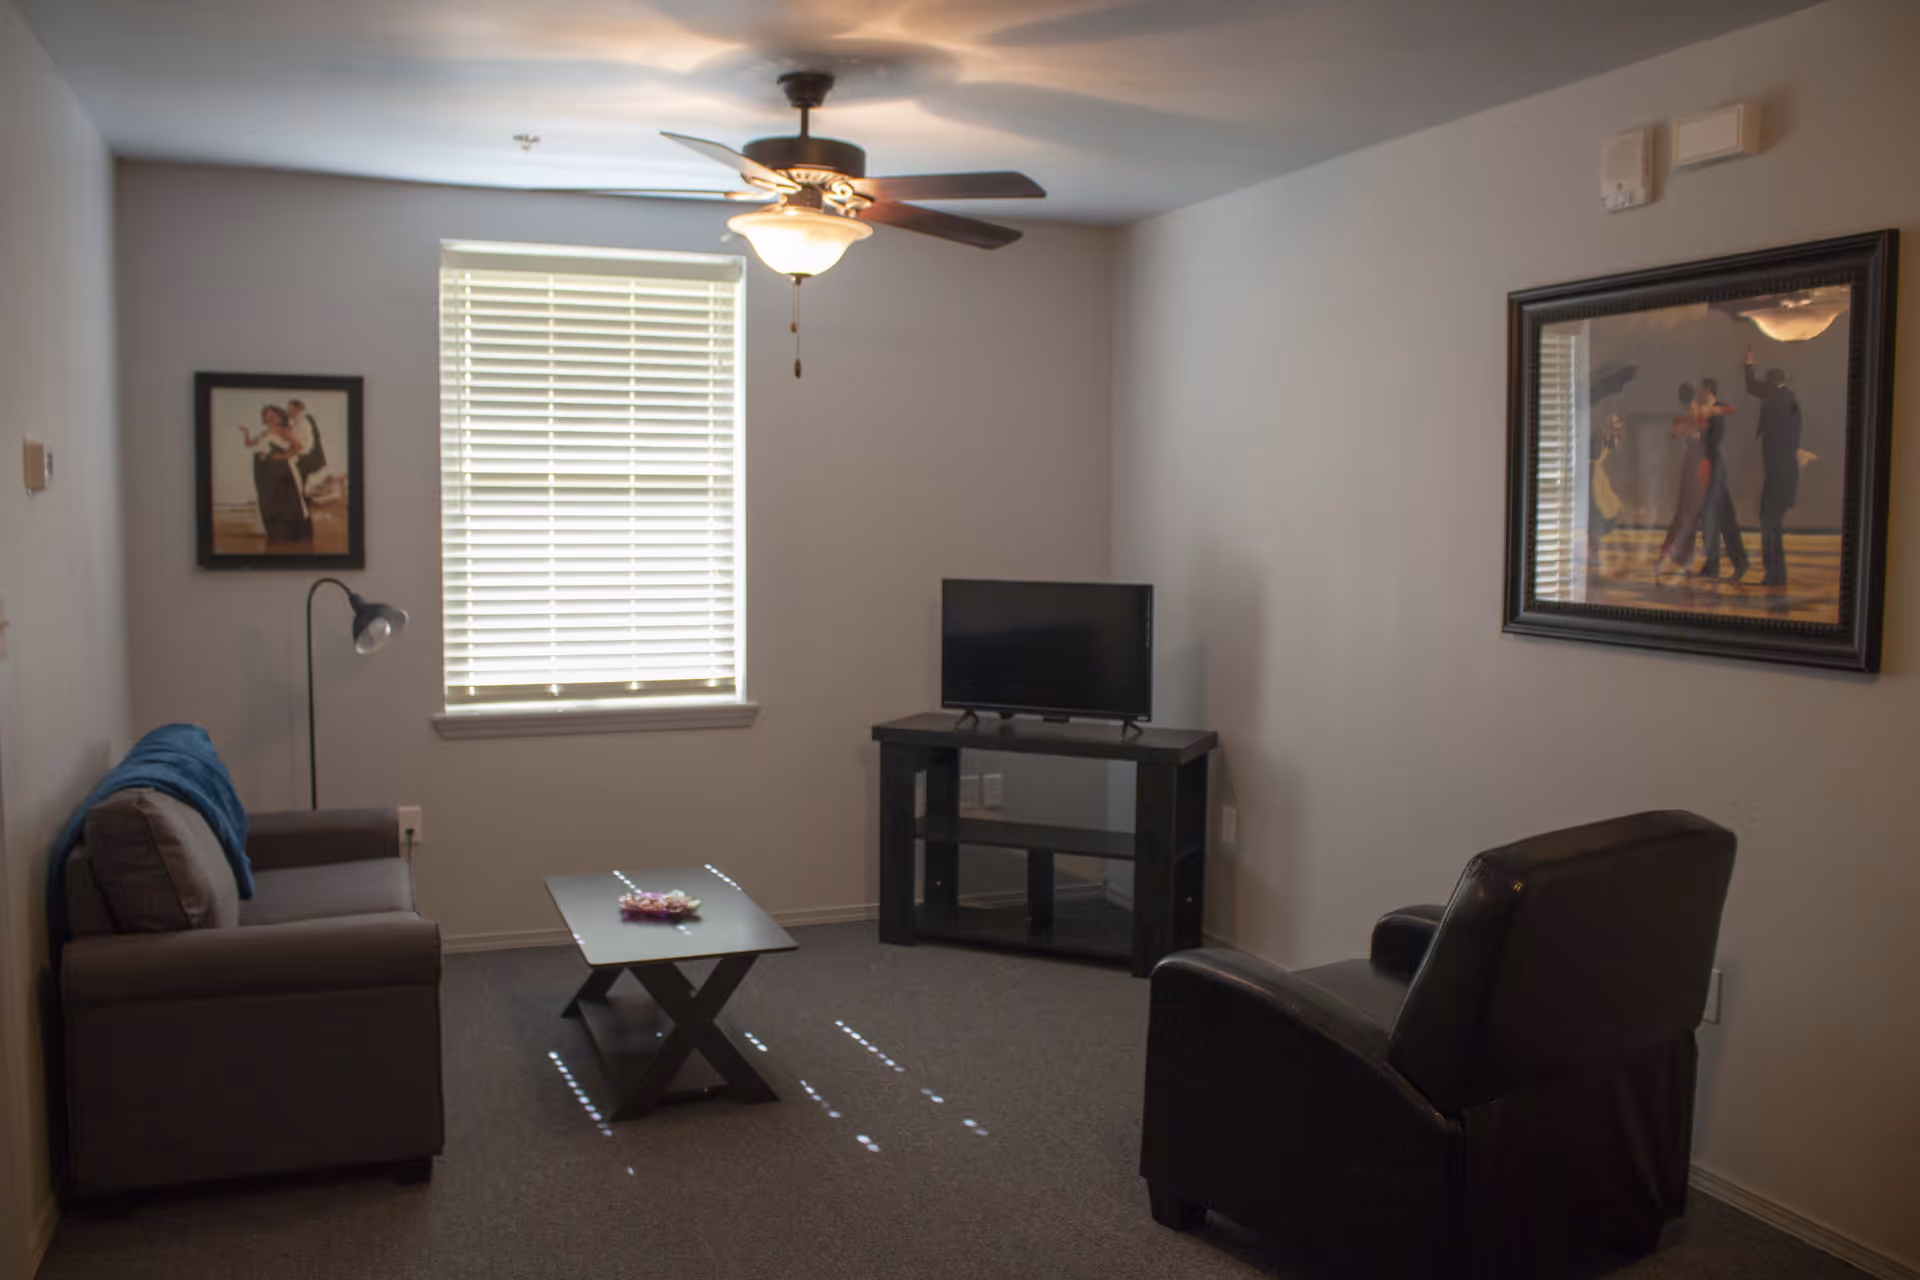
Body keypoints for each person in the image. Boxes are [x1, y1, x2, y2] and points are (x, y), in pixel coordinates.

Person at [1655, 383, 1732, 579]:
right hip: (1700, 467)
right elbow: (1729, 409)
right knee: (1691, 514)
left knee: (1684, 513)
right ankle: (1682, 560)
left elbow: (1674, 436)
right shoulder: (1700, 411)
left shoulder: (1681, 419)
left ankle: (1669, 557)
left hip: (1689, 464)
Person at [1744, 348, 1803, 587]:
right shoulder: (1789, 400)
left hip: (1778, 476)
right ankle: (1776, 574)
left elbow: (1753, 387)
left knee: (1769, 523)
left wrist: (1749, 364)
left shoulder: (1779, 397)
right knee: (1772, 525)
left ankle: (1774, 575)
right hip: (1783, 476)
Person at [1696, 377, 1750, 581]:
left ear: (1708, 391)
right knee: (1713, 518)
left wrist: (1699, 437)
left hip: (1714, 470)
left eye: (1701, 390)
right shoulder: (1706, 410)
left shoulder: (1716, 410)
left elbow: (1715, 439)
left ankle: (1737, 562)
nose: (1699, 393)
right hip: (1708, 470)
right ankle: (1715, 565)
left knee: (1722, 518)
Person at [235, 405, 311, 544]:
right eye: (267, 415)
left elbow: (298, 447)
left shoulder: (284, 430)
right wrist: (246, 432)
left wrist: (283, 457)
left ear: (279, 416)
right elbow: (249, 444)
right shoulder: (264, 432)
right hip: (263, 468)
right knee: (267, 499)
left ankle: (288, 534)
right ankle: (274, 533)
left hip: (278, 468)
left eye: (272, 415)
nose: (270, 418)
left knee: (282, 499)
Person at [1587, 413, 1625, 567]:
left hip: (1597, 479)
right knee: (1596, 514)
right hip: (1592, 479)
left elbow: (1612, 447)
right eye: (1611, 424)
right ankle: (1593, 551)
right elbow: (1593, 457)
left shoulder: (1606, 439)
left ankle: (1593, 549)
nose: (1613, 428)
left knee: (1604, 514)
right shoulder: (1597, 438)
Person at [285, 397, 329, 495]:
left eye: (290, 409)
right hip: (307, 461)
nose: (288, 411)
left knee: (299, 490)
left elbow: (302, 445)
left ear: (298, 409)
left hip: (305, 461)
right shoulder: (302, 421)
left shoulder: (302, 423)